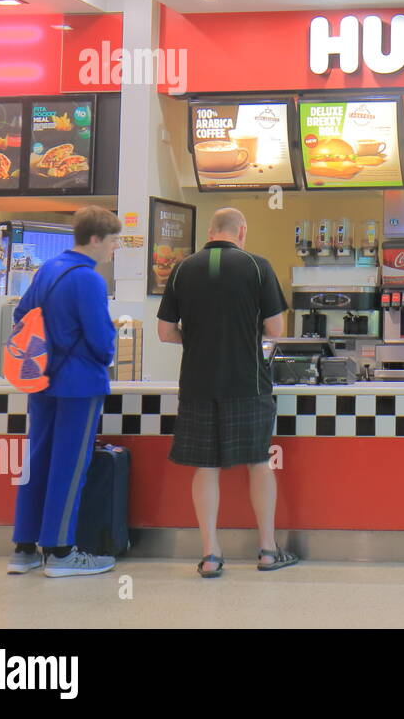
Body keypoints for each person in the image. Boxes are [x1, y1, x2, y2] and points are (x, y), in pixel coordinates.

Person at [157, 207, 295, 578]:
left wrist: (199, 338)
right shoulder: (257, 266)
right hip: (247, 383)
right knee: (258, 462)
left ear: (211, 231)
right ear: (242, 231)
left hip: (198, 384)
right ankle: (267, 550)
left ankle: (211, 554)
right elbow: (276, 328)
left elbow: (165, 332)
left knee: (206, 466)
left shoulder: (183, 268)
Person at [8, 205, 121, 578]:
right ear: (95, 239)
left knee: (37, 460)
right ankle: (60, 552)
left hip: (40, 379)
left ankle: (23, 548)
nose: (114, 249)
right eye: (112, 241)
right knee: (70, 467)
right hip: (79, 384)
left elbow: (21, 314)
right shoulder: (89, 280)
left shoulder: (48, 269)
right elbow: (102, 342)